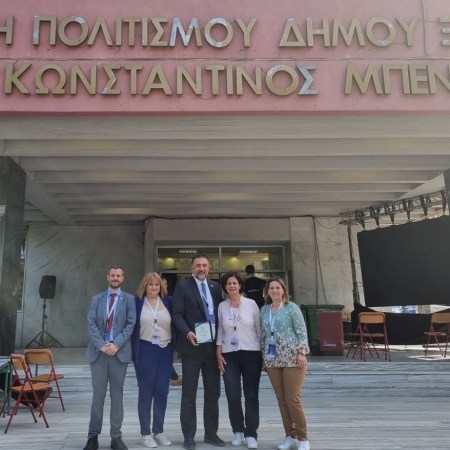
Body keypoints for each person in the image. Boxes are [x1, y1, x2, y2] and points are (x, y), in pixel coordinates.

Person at [172, 254, 224, 450]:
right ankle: (189, 436)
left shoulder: (215, 287)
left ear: (208, 268)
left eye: (204, 265)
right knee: (189, 393)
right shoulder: (183, 287)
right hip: (192, 348)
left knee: (213, 392)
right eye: (198, 265)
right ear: (192, 268)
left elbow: (219, 314)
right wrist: (187, 333)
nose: (201, 268)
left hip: (212, 348)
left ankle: (211, 433)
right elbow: (177, 315)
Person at [84, 265, 136, 450]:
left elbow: (130, 324)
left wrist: (116, 345)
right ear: (108, 277)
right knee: (97, 396)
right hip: (98, 354)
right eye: (112, 275)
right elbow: (91, 323)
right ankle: (93, 436)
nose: (115, 278)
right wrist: (102, 345)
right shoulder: (97, 299)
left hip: (118, 353)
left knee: (117, 396)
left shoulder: (129, 299)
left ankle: (116, 437)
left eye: (118, 276)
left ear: (122, 278)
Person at [260, 277, 310, 450]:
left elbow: (301, 331)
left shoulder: (291, 307)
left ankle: (303, 438)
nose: (274, 290)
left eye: (277, 287)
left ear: (283, 290)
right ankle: (290, 436)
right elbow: (263, 335)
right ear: (267, 292)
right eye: (271, 288)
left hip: (292, 358)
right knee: (281, 400)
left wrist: (301, 352)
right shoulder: (264, 310)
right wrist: (263, 358)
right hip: (272, 359)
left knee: (292, 399)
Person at [216, 271, 262, 449]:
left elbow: (259, 329)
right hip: (229, 354)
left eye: (235, 283)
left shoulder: (251, 304)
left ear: (240, 285)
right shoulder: (222, 306)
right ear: (225, 287)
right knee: (233, 394)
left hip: (251, 352)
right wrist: (218, 352)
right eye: (228, 284)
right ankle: (237, 430)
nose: (232, 286)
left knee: (251, 395)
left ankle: (251, 433)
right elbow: (220, 330)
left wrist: (263, 353)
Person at [132, 272, 174, 448]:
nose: (154, 287)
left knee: (162, 392)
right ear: (145, 286)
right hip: (146, 349)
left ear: (161, 286)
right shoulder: (137, 303)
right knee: (146, 393)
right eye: (150, 284)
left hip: (165, 350)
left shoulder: (169, 302)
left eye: (157, 284)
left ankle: (158, 430)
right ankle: (145, 433)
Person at [161, 276, 183, 387]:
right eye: (162, 284)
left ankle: (174, 377)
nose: (164, 287)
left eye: (165, 285)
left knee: (165, 358)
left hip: (167, 335)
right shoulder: (145, 301)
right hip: (150, 337)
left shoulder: (169, 300)